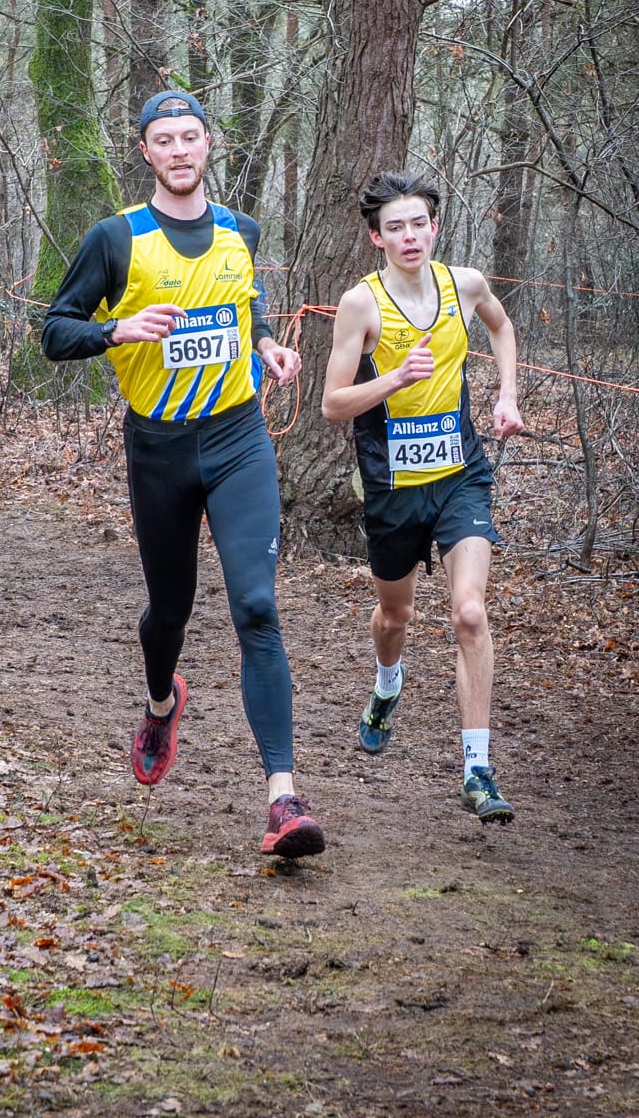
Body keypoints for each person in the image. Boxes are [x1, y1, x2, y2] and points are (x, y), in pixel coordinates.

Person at [42, 90, 325, 860]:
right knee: (170, 612)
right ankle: (162, 701)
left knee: (257, 607)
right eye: (163, 139)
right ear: (146, 151)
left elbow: (243, 306)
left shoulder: (242, 231)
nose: (178, 150)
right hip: (159, 451)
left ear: (208, 145)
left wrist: (266, 345)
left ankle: (283, 798)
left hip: (237, 438)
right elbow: (54, 333)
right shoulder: (116, 239)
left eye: (189, 137)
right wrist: (115, 329)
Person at [321, 171, 524, 823]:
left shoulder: (465, 285)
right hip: (392, 486)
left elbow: (502, 327)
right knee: (395, 617)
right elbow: (333, 404)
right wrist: (394, 379)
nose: (409, 236)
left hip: (460, 474)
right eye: (395, 227)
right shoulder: (362, 304)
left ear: (434, 228)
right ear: (376, 238)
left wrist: (507, 396)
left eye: (418, 223)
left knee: (470, 614)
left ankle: (477, 771)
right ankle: (388, 682)